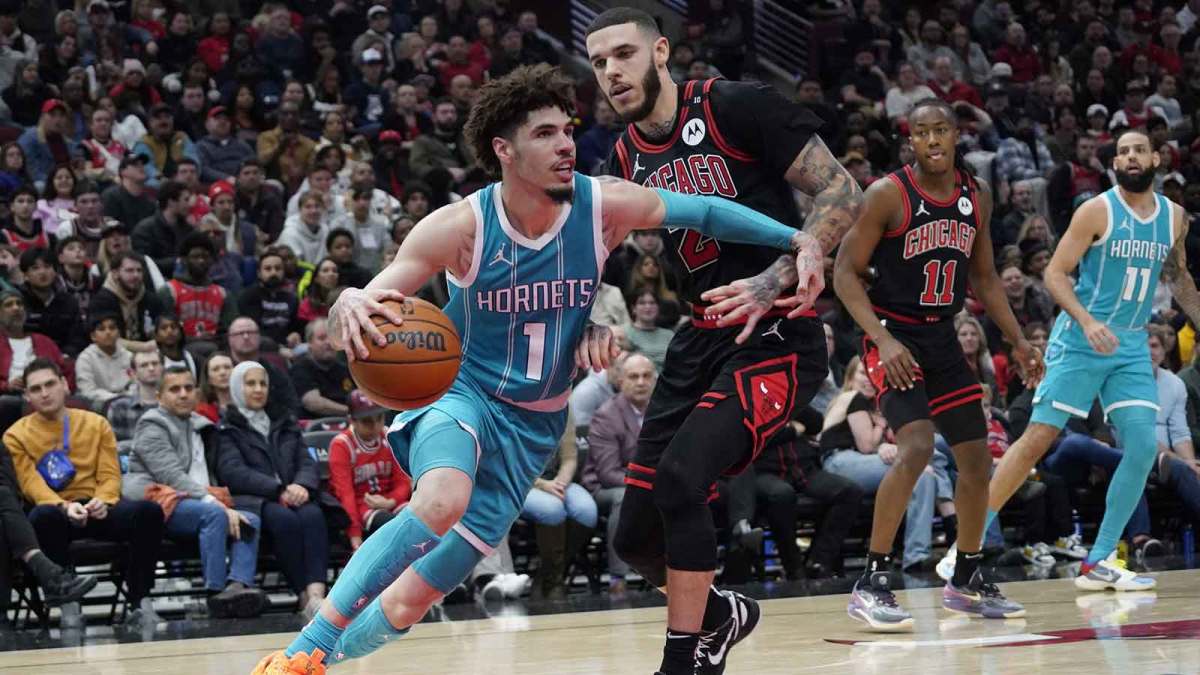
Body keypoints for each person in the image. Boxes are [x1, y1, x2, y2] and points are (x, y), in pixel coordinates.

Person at [255, 62, 824, 674]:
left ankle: (322, 664)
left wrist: (797, 239)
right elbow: (378, 294)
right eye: (545, 134)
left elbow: (707, 211)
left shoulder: (602, 205)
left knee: (410, 600)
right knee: (442, 498)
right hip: (461, 392)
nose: (565, 145)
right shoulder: (460, 227)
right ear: (504, 149)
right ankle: (300, 652)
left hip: (533, 427)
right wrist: (350, 300)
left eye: (567, 130)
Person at [587, 10, 863, 673]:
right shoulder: (624, 156)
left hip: (775, 334)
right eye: (598, 63)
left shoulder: (734, 106)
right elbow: (587, 248)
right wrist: (594, 309)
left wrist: (775, 276)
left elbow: (843, 189)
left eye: (623, 54)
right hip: (699, 337)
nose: (611, 72)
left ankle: (683, 661)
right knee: (634, 536)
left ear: (660, 51)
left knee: (684, 479)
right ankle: (720, 614)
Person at [939, 128, 1200, 594]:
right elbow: (1057, 273)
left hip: (1132, 345)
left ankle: (1097, 560)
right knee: (1038, 437)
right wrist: (1085, 320)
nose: (1131, 157)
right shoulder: (1096, 210)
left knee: (1141, 447)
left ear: (1158, 158)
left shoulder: (1175, 218)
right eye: (1122, 152)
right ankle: (965, 545)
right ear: (1114, 164)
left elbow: (1178, 278)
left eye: (1139, 149)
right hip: (1081, 336)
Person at [833, 98, 1043, 630]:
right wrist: (881, 340)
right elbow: (844, 275)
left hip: (943, 336)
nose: (932, 140)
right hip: (894, 334)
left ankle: (967, 576)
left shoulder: (977, 196)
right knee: (919, 445)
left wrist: (1018, 340)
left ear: (955, 136)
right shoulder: (888, 194)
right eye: (921, 132)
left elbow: (987, 279)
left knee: (976, 460)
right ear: (910, 140)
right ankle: (872, 580)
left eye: (941, 130)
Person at [4, 358, 165, 630]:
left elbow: (110, 474)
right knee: (42, 516)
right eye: (36, 389)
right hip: (56, 511)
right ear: (27, 396)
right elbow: (30, 484)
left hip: (97, 505)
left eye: (50, 384)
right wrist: (64, 506)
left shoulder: (96, 423)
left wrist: (103, 500)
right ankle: (69, 602)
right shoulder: (15, 435)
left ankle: (140, 600)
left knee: (148, 512)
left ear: (65, 385)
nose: (44, 393)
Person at [125, 365, 268, 618]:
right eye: (174, 389)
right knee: (213, 515)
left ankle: (238, 586)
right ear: (159, 396)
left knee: (252, 520)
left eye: (188, 388)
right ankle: (216, 594)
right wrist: (218, 505)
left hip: (199, 500)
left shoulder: (202, 425)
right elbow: (172, 477)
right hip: (160, 503)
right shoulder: (152, 425)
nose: (183, 394)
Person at [218, 361, 328, 618]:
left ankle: (316, 595)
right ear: (236, 388)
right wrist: (278, 489)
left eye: (262, 383)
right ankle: (302, 595)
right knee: (284, 520)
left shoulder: (284, 420)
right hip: (256, 500)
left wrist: (301, 485)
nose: (258, 389)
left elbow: (306, 460)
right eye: (250, 383)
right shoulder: (227, 428)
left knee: (314, 515)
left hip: (296, 493)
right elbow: (233, 472)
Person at [583, 352, 656, 593]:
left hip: (652, 484)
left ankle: (676, 573)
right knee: (624, 499)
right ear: (621, 381)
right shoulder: (607, 415)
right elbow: (608, 473)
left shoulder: (663, 411)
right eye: (633, 377)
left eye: (647, 376)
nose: (641, 382)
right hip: (606, 489)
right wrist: (652, 482)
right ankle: (618, 579)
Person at [521, 413, 597, 600]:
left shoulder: (565, 407)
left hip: (555, 479)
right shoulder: (510, 407)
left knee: (586, 510)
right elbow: (510, 464)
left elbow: (570, 458)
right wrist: (542, 485)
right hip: (519, 482)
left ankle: (547, 574)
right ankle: (554, 583)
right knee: (552, 509)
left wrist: (560, 482)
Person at [327, 390, 411, 551]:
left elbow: (403, 480)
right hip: (361, 506)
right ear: (352, 420)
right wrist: (354, 533)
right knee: (389, 524)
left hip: (392, 500)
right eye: (367, 421)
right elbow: (345, 494)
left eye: (379, 418)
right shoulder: (342, 445)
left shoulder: (388, 435)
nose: (375, 426)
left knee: (420, 519)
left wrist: (391, 501)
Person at [290, 320, 352, 418]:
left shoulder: (345, 369)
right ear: (309, 343)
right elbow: (313, 403)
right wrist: (352, 412)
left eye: (331, 337)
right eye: (322, 338)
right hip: (316, 427)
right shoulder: (301, 368)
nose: (328, 342)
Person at [74, 313, 133, 412]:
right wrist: (116, 398)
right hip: (99, 405)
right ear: (93, 336)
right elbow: (87, 391)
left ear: (118, 333)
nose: (108, 332)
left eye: (112, 328)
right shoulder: (85, 359)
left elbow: (136, 384)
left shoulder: (128, 356)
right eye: (102, 329)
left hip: (128, 401)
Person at [106, 348, 162, 441]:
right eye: (144, 365)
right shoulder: (119, 407)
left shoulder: (175, 403)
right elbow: (116, 448)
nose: (151, 368)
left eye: (155, 363)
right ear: (133, 373)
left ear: (163, 368)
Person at [196, 351, 232, 423]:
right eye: (216, 369)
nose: (222, 373)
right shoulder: (202, 412)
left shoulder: (248, 404)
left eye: (227, 367)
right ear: (208, 379)